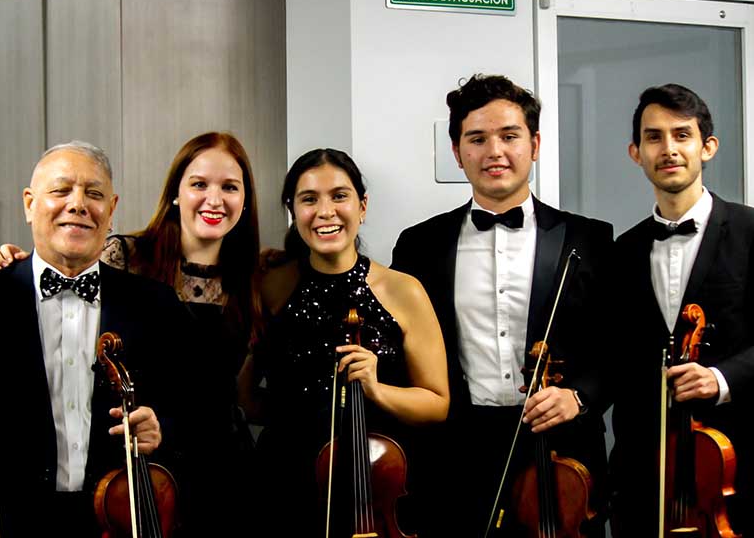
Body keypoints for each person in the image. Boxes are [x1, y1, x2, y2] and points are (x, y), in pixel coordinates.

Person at [0, 132, 261, 535]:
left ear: (246, 200)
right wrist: (18, 271)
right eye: (199, 184)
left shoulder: (257, 273)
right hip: (131, 477)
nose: (214, 199)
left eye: (230, 187)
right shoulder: (125, 257)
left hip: (217, 453)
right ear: (176, 193)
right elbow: (68, 265)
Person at [391, 74, 613, 537]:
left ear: (534, 144)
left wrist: (579, 396)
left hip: (560, 456)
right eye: (477, 139)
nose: (494, 151)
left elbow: (619, 345)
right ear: (457, 152)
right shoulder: (418, 246)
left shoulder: (589, 238)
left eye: (509, 136)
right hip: (455, 454)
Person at [0, 142, 186, 537]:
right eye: (61, 191)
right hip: (9, 520)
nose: (78, 204)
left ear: (111, 209)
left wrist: (162, 430)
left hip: (118, 517)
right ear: (29, 204)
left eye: (94, 194)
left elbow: (189, 409)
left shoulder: (156, 303)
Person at [240, 148, 449, 538]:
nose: (325, 211)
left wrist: (377, 389)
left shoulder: (403, 291)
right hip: (285, 486)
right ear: (293, 210)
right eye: (309, 199)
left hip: (376, 486)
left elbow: (437, 404)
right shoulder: (270, 287)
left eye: (339, 196)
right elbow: (250, 400)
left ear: (362, 206)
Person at [610, 83, 752, 536]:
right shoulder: (622, 251)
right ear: (636, 152)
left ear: (707, 147)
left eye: (681, 135)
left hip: (734, 467)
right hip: (645, 474)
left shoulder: (752, 231)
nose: (668, 149)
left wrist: (721, 377)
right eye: (653, 137)